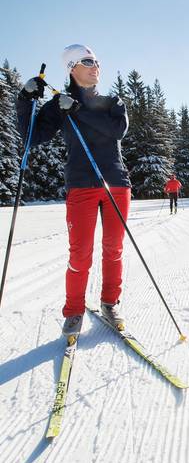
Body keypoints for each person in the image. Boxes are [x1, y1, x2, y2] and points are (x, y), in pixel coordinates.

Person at [16, 44, 131, 336]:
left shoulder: (111, 101)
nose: (96, 66)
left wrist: (78, 111)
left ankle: (109, 302)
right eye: (88, 61)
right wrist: (26, 99)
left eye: (97, 61)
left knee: (114, 249)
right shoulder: (58, 106)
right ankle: (74, 310)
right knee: (80, 253)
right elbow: (33, 137)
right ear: (72, 68)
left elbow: (117, 130)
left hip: (115, 183)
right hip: (81, 184)